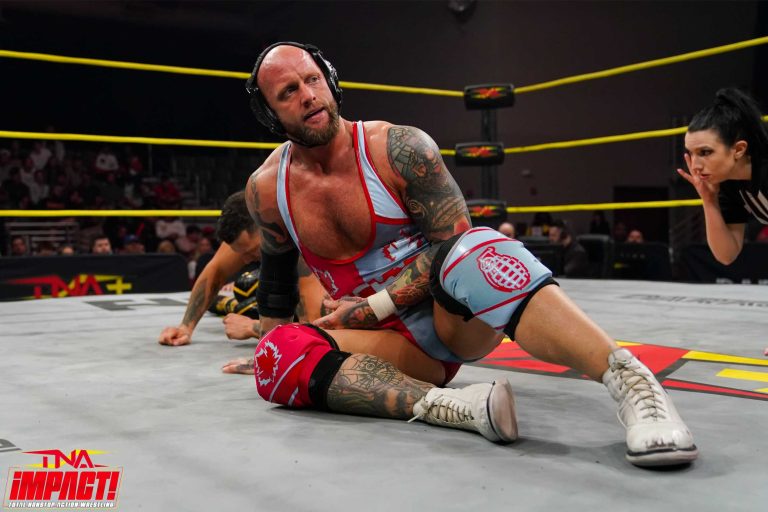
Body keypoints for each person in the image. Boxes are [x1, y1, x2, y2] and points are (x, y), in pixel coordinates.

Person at [228, 42, 698, 467]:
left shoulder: (397, 148)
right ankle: (456, 407)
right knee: (276, 353)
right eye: (288, 92)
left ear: (330, 81)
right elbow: (276, 279)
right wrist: (270, 346)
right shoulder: (267, 189)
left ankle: (631, 383)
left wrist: (374, 307)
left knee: (469, 248)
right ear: (270, 115)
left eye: (312, 79)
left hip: (448, 320)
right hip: (387, 351)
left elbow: (451, 246)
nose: (308, 96)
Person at [157, 191, 325, 347]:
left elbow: (317, 334)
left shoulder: (303, 241)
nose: (246, 261)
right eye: (241, 254)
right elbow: (217, 270)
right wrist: (185, 327)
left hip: (329, 311)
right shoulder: (256, 229)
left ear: (267, 229)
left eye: (252, 251)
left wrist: (253, 327)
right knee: (251, 290)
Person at [677, 88, 768, 265]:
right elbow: (727, 255)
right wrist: (709, 200)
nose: (695, 166)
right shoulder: (728, 183)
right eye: (691, 154)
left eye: (705, 152)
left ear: (739, 149)